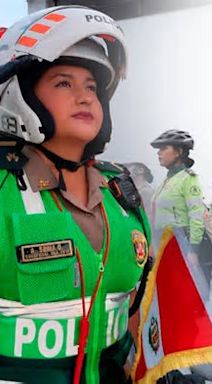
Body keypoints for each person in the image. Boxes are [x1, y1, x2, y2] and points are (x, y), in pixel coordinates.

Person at [0, 6, 151, 383]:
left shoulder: (122, 192)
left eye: (92, 87)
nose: (84, 97)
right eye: (64, 83)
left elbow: (134, 304)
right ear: (22, 96)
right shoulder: (4, 191)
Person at [151, 129, 212, 290]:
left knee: (187, 292)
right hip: (164, 242)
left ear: (178, 152)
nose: (159, 153)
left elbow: (196, 216)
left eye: (164, 148)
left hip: (181, 240)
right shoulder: (165, 181)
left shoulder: (188, 178)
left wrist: (193, 250)